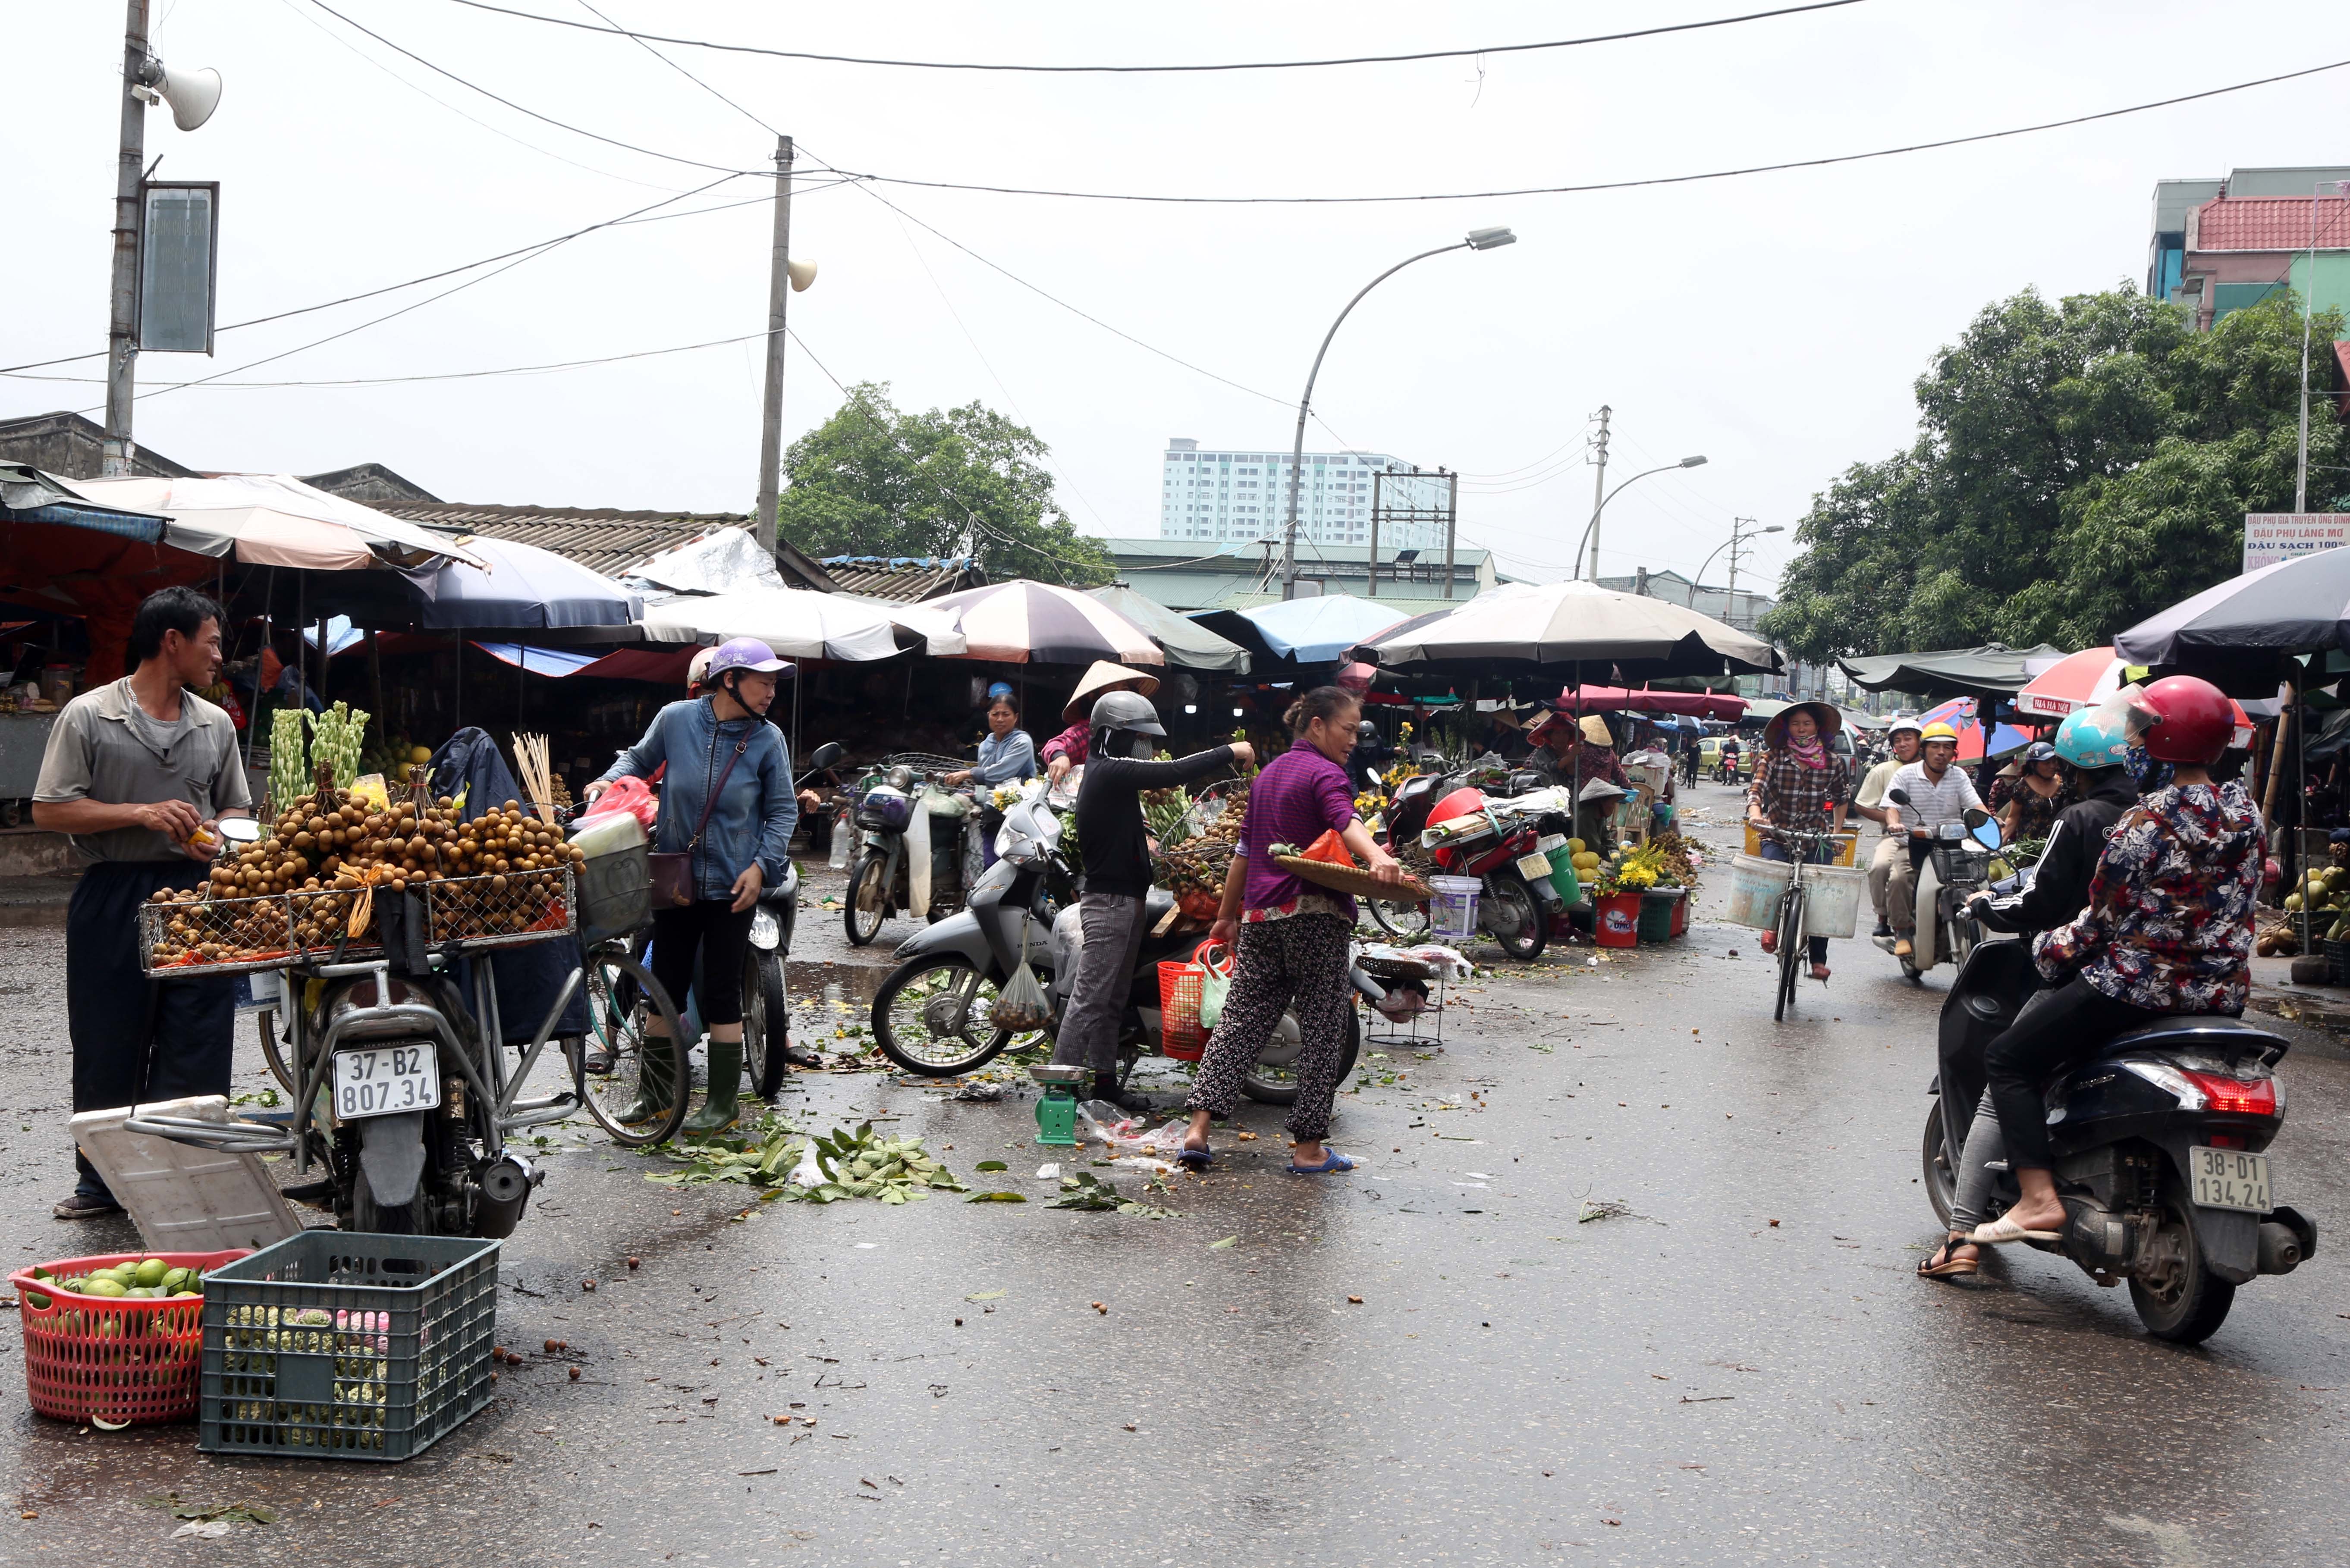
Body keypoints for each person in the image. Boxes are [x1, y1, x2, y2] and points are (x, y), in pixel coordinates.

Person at [1965, 678, 2261, 1248]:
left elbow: (2099, 922)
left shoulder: (2145, 821)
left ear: (2160, 741)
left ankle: (2037, 1200)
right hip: (2223, 996)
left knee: (2008, 1059)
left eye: (2141, 732)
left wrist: (2046, 950)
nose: (2134, 743)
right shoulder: (2247, 815)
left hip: (2137, 989)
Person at [33, 587, 252, 1219]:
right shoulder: (88, 715)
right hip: (114, 891)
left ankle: (184, 1172)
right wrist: (142, 813)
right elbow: (50, 808)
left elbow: (235, 806)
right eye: (212, 641)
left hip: (195, 895)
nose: (220, 656)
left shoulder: (215, 724)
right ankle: (102, 1184)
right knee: (109, 1035)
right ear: (173, 642)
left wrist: (215, 837)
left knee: (199, 1035)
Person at [1918, 707, 2136, 1279]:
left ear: (2075, 766)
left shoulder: (2090, 819)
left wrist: (1987, 904)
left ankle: (1962, 1235)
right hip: (2211, 988)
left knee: (2005, 1067)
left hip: (2109, 976)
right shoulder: (2181, 819)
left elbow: (2057, 904)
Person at [1181, 687, 1400, 1174]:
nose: (1353, 738)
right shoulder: (1326, 773)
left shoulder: (1270, 775)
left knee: (1239, 1024)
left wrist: (1226, 914)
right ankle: (1308, 1150)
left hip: (1261, 920)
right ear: (1318, 725)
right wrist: (1380, 857)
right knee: (1325, 1030)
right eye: (1348, 729)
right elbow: (1347, 822)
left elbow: (1244, 853)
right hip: (1315, 918)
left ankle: (1198, 1129)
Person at [587, 637, 798, 1135]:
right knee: (663, 987)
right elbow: (637, 761)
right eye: (762, 681)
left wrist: (762, 867)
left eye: (773, 683)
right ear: (730, 680)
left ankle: (723, 1104)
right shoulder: (676, 719)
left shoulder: (769, 740)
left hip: (735, 884)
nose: (771, 691)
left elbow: (782, 810)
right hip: (674, 879)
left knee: (724, 992)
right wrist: (607, 783)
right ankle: (655, 1095)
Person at [1052, 690, 1251, 1113]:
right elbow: (1175, 771)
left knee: (1112, 997)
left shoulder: (1112, 776)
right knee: (1090, 999)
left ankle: (1105, 1082)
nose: (1147, 746)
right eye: (1140, 737)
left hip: (1126, 901)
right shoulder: (1108, 770)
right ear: (1116, 736)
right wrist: (1229, 750)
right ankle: (1058, 1091)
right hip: (1108, 904)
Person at [1746, 701, 1852, 982]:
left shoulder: (1833, 762)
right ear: (1787, 729)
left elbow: (1842, 798)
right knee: (1774, 876)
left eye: (1807, 723)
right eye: (1795, 724)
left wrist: (1837, 832)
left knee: (1820, 896)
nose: (1801, 728)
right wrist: (1756, 814)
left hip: (1816, 838)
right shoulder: (1773, 758)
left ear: (1818, 727)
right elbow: (1756, 790)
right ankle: (1770, 925)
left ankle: (1818, 959)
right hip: (1778, 834)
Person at [1883, 721, 1984, 960]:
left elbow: (1975, 804)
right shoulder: (1906, 774)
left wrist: (1990, 820)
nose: (1941, 753)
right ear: (1924, 750)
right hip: (1913, 846)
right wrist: (1893, 823)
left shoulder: (1959, 776)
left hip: (1951, 848)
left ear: (1953, 752)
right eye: (1936, 747)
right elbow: (1892, 807)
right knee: (1899, 878)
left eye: (1947, 748)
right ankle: (1902, 932)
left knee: (1981, 882)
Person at [945, 690, 1036, 867]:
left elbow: (1000, 773)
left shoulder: (1023, 742)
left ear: (1016, 717)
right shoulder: (986, 744)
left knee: (1015, 866)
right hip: (992, 814)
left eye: (1006, 714)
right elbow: (986, 781)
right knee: (990, 865)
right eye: (995, 714)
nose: (1000, 719)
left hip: (1018, 816)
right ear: (988, 716)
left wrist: (968, 774)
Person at [1852, 720, 1921, 938]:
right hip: (1896, 837)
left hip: (1935, 838)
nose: (1903, 744)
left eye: (1908, 738)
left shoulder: (1936, 770)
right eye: (1898, 741)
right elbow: (1862, 805)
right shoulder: (1884, 771)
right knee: (1880, 868)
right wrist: (1893, 821)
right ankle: (1883, 917)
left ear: (1921, 742)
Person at [1040, 662, 1160, 785]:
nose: (1121, 695)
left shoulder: (1132, 730)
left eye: (1125, 689)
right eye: (1112, 691)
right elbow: (1055, 745)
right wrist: (1060, 757)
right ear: (1095, 699)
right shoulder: (1087, 731)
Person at [1998, 741, 2066, 845]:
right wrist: (2000, 842)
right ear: (2033, 765)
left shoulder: (2064, 784)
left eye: (2054, 761)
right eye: (2047, 763)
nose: (2053, 766)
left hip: (2059, 846)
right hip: (2030, 848)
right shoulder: (2022, 788)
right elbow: (2013, 817)